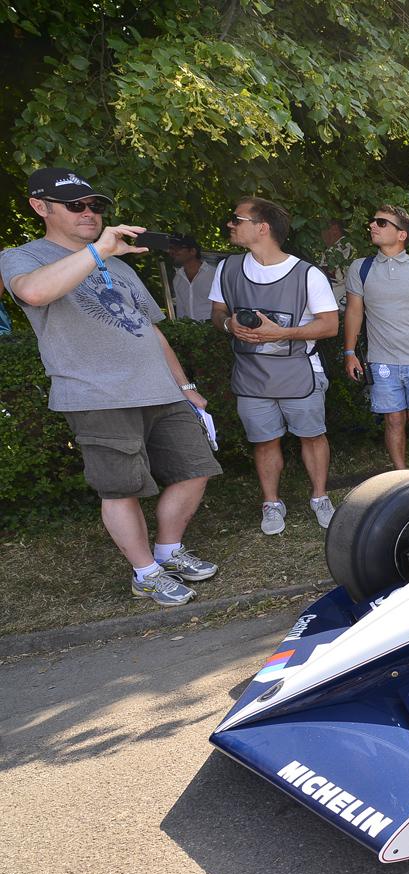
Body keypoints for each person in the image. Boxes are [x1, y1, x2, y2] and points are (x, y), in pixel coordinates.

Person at [0, 167, 221, 605]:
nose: (89, 213)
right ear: (40, 207)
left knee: (195, 468)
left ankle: (168, 551)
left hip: (160, 388)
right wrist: (98, 251)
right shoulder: (23, 256)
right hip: (97, 394)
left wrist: (186, 384)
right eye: (76, 206)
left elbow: (150, 329)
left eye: (95, 206)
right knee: (121, 487)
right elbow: (35, 293)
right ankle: (145, 574)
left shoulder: (118, 265)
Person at [210, 196, 339, 534]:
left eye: (237, 219)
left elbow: (329, 325)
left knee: (312, 436)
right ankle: (271, 503)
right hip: (251, 377)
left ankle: (320, 496)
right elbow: (218, 314)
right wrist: (229, 326)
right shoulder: (228, 269)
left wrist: (282, 333)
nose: (230, 224)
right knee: (264, 440)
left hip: (300, 373)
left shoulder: (307, 274)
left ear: (262, 228)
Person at [342, 205, 409, 471]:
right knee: (393, 420)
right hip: (382, 363)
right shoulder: (361, 268)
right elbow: (355, 312)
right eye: (373, 221)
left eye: (382, 222)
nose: (373, 226)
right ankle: (401, 476)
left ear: (402, 234)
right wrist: (349, 352)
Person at [167, 235, 215, 322]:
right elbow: (180, 310)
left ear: (193, 251)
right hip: (190, 332)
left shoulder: (214, 275)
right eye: (171, 248)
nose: (172, 252)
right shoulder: (178, 279)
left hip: (214, 330)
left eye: (177, 248)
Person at [317, 218, 354, 311]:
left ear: (334, 229)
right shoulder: (340, 247)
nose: (322, 234)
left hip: (339, 305)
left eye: (323, 230)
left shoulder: (339, 249)